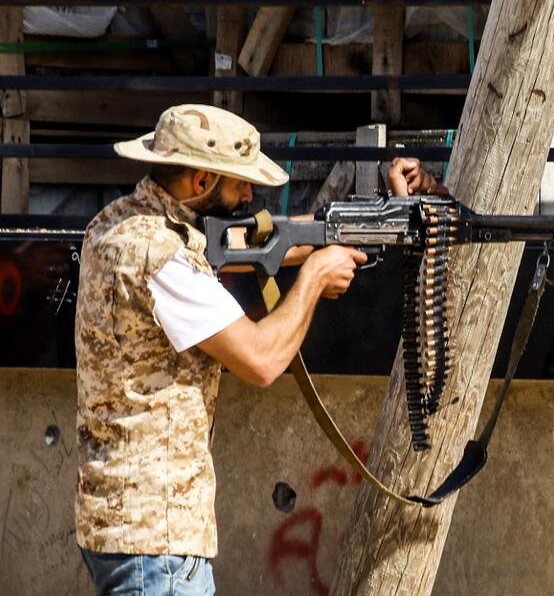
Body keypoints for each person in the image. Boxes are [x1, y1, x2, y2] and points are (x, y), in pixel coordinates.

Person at [74, 104, 445, 595]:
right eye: (240, 185)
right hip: (154, 539)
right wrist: (313, 280)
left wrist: (366, 218)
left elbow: (254, 240)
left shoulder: (121, 223)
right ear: (201, 181)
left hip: (122, 523)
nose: (251, 196)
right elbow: (262, 360)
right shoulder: (160, 259)